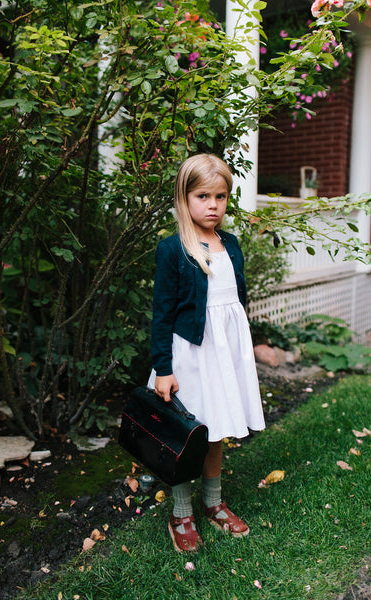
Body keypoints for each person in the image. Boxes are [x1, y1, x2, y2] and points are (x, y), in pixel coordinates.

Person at [148, 153, 265, 553]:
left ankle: (213, 503)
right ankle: (181, 512)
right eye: (203, 196)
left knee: (216, 430)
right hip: (190, 357)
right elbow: (162, 315)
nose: (213, 205)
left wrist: (241, 347)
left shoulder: (230, 245)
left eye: (221, 196)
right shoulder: (174, 249)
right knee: (186, 432)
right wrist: (163, 368)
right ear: (184, 198)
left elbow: (235, 303)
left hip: (223, 355)